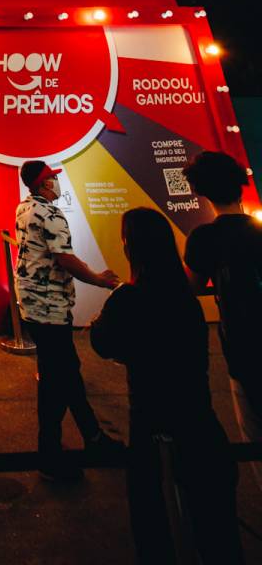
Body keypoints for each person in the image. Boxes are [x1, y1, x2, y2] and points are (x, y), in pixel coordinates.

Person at [90, 208, 243, 563]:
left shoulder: (128, 300)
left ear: (130, 247)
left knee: (155, 526)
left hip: (152, 425)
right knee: (216, 530)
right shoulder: (185, 300)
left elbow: (104, 343)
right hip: (200, 420)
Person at [14, 159, 122, 482]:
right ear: (41, 184)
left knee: (66, 372)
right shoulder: (51, 215)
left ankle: (92, 437)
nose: (56, 184)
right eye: (51, 179)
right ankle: (49, 454)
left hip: (32, 304)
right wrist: (98, 280)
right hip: (50, 307)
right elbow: (65, 259)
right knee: (54, 380)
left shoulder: (23, 209)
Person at [182, 149, 262, 481]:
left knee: (254, 436)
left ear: (200, 190)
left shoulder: (205, 238)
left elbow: (191, 288)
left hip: (243, 348)